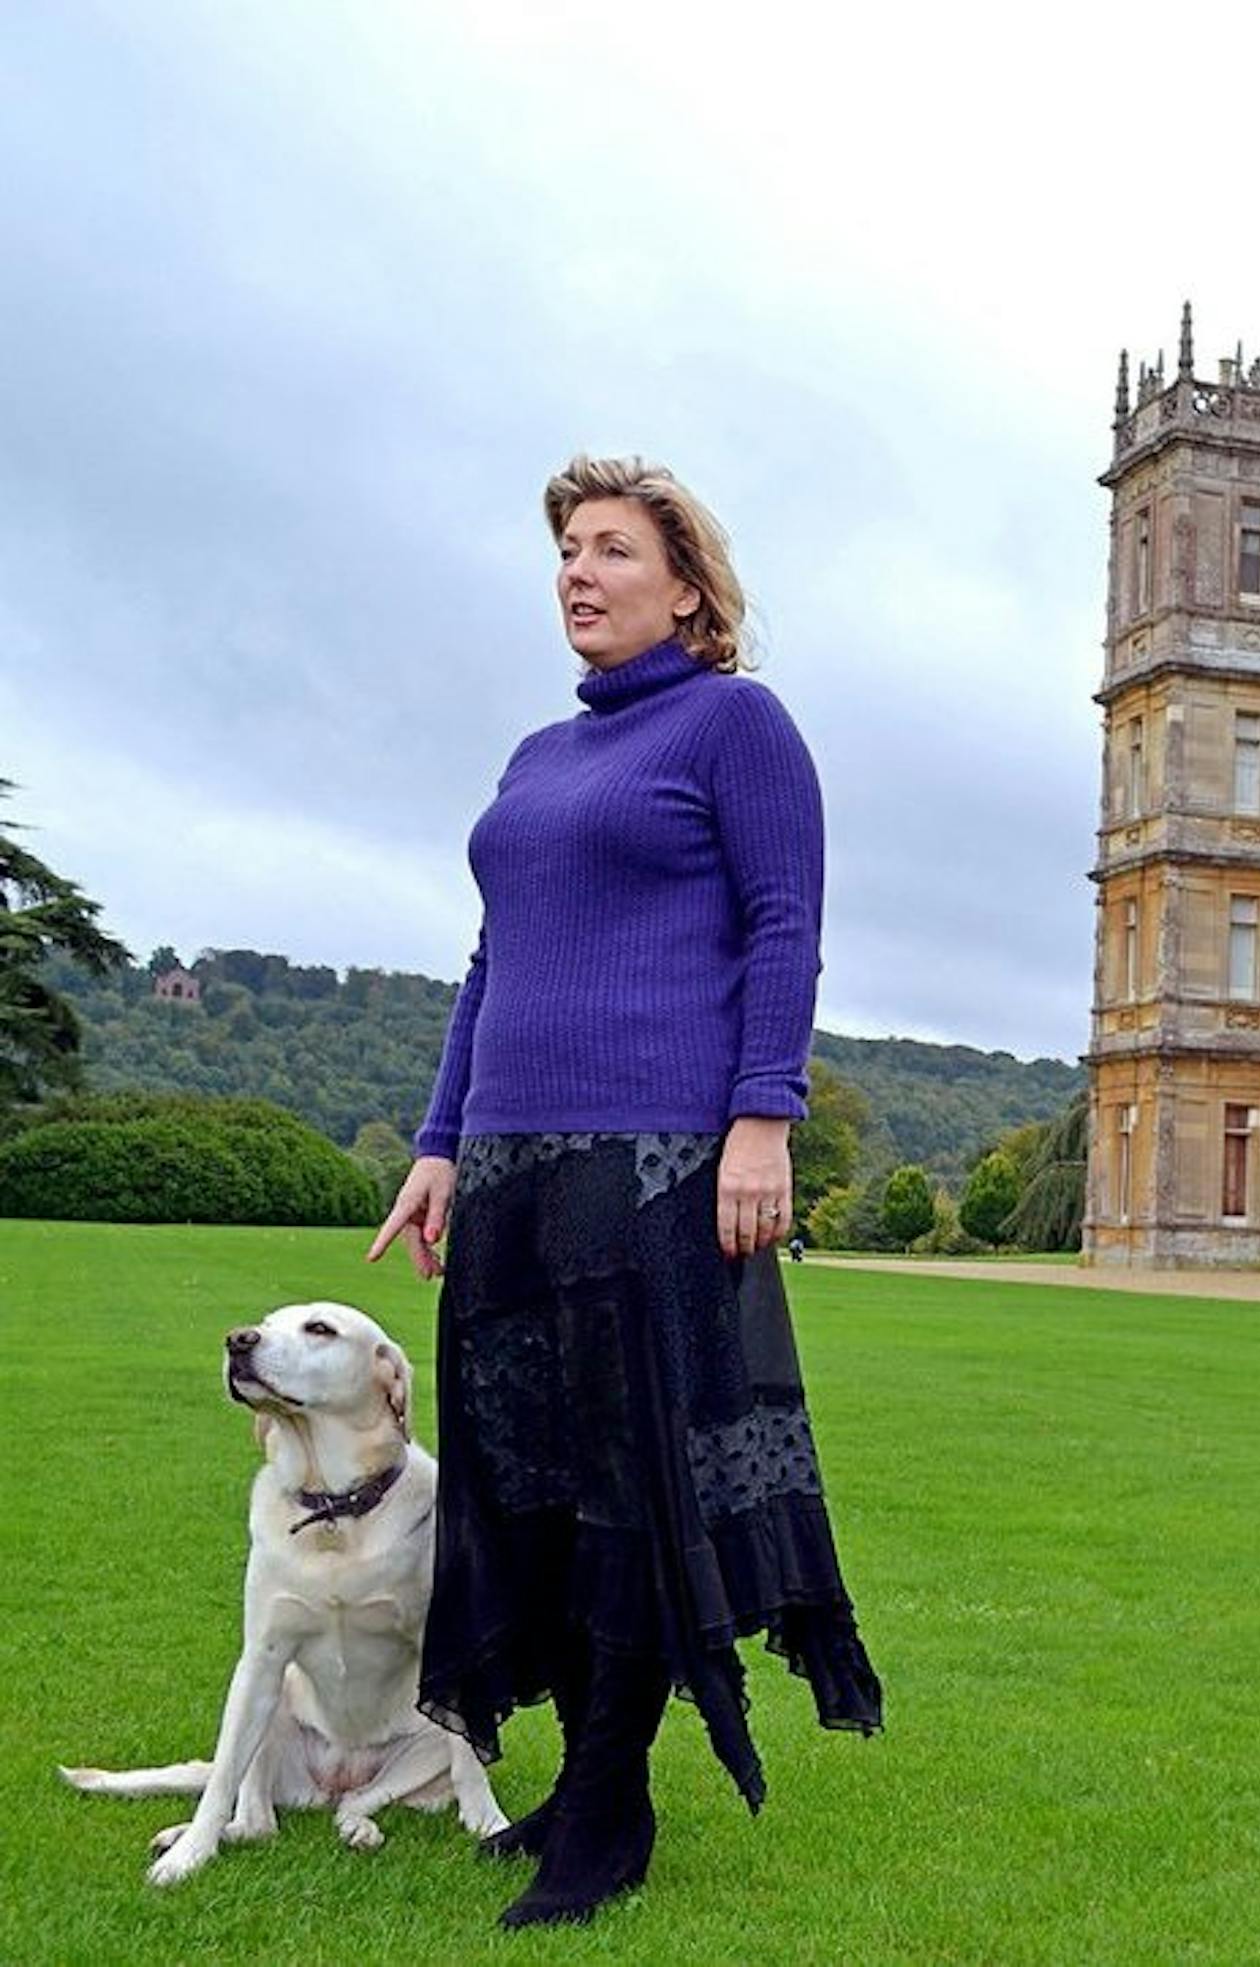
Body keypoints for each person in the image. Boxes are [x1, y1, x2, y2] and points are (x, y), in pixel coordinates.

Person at [367, 455, 882, 1929]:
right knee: (528, 1484)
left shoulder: (736, 725)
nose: (578, 576)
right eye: (567, 557)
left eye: (610, 552)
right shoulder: (535, 760)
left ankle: (606, 1803)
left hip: (658, 1163)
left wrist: (762, 1122)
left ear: (688, 587)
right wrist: (441, 1137)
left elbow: (785, 927)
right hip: (519, 1169)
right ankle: (594, 1783)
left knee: (629, 1492)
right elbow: (492, 963)